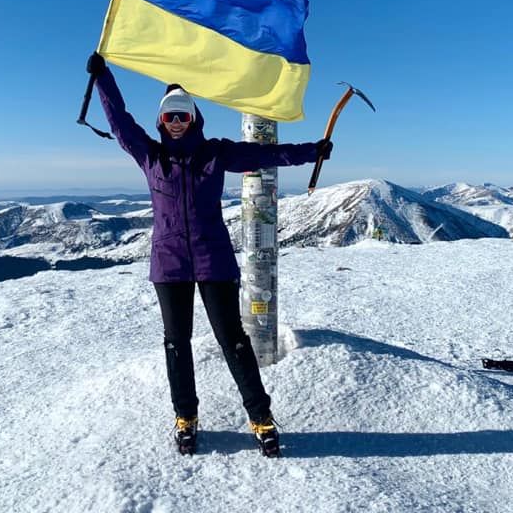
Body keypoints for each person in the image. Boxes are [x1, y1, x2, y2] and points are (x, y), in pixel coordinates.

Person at [86, 52, 333, 457]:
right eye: (170, 117)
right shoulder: (151, 156)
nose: (177, 122)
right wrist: (103, 78)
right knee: (176, 343)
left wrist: (312, 151)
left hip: (213, 259)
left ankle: (261, 418)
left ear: (195, 118)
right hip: (169, 264)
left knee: (233, 340)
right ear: (161, 122)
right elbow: (119, 123)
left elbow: (264, 155)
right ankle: (186, 417)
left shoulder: (215, 153)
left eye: (183, 115)